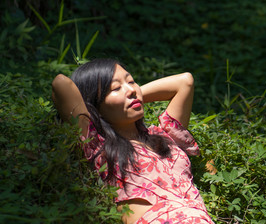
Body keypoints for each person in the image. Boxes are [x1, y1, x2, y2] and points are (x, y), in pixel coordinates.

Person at [51, 58, 214, 224]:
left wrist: (131, 97)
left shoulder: (164, 136)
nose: (131, 90)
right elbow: (61, 84)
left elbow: (184, 82)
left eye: (131, 82)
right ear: (94, 106)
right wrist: (102, 107)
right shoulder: (97, 144)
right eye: (115, 88)